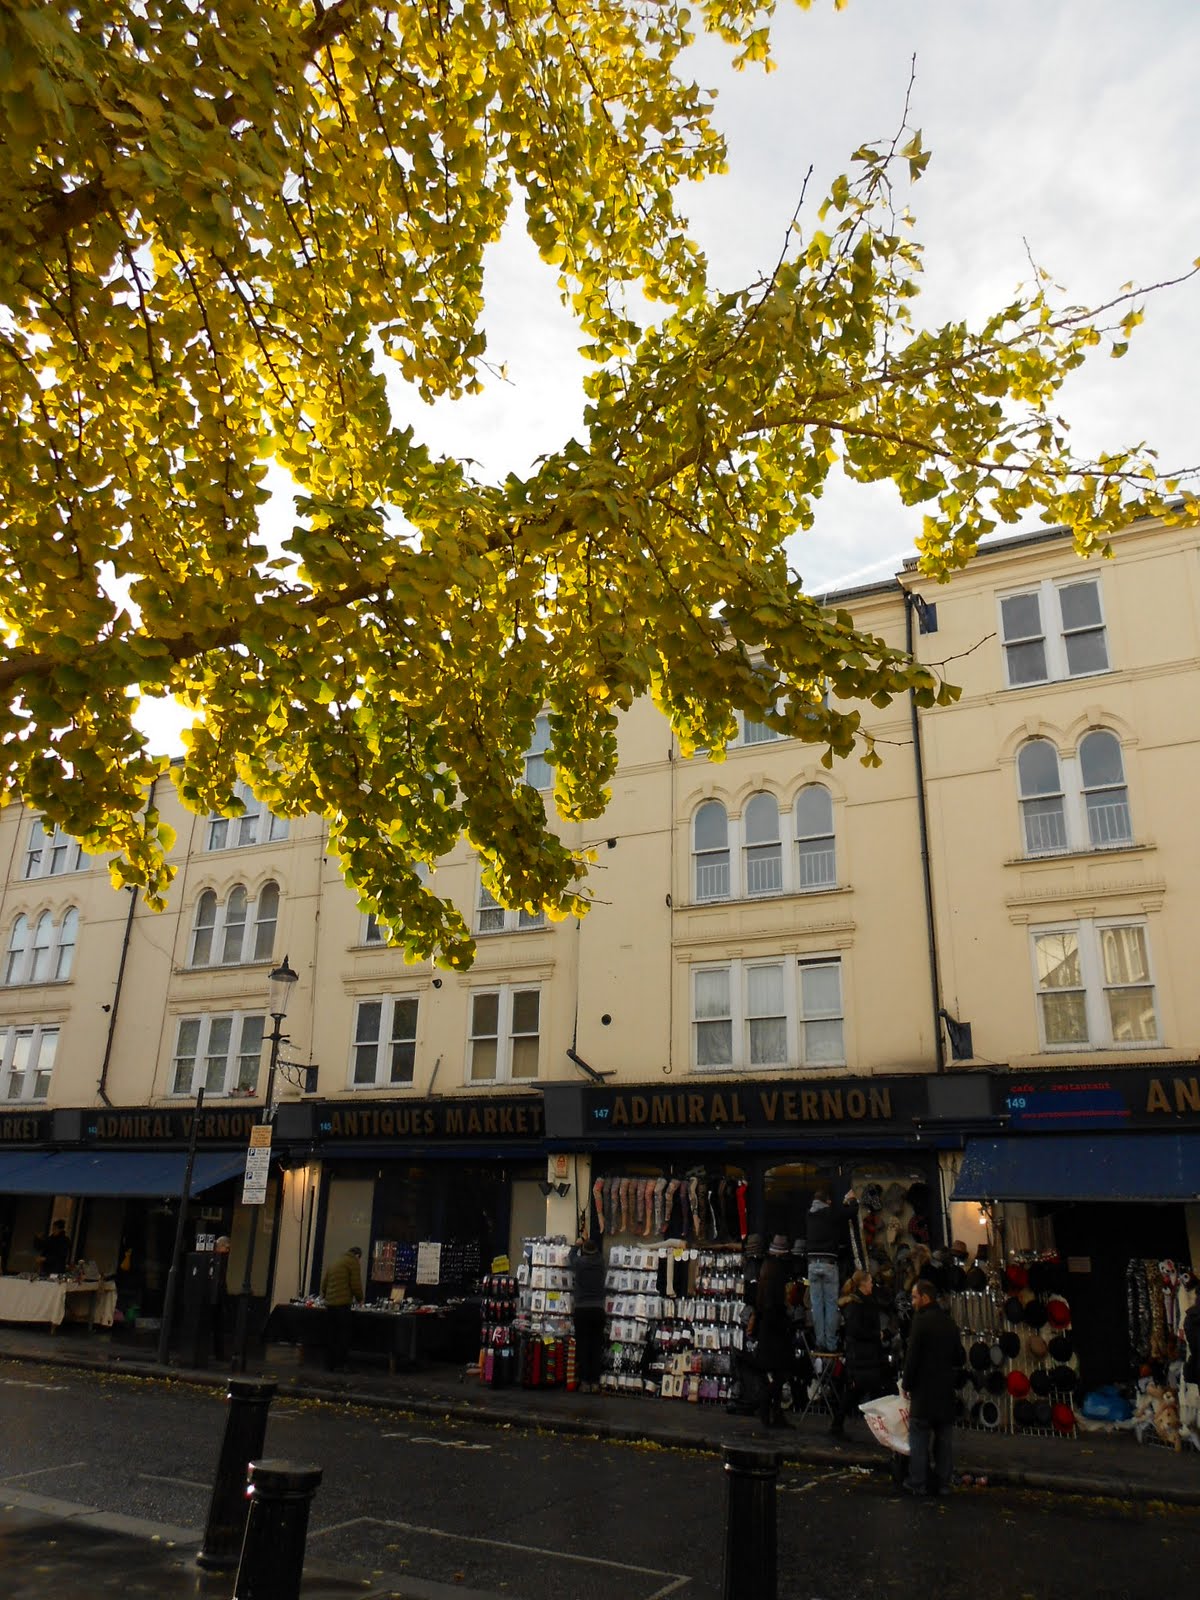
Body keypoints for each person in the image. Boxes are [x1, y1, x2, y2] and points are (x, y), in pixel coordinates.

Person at [901, 1277, 961, 1497]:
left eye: (914, 1297)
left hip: (924, 1391)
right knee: (944, 1440)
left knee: (919, 1437)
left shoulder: (920, 1321)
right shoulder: (949, 1322)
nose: (912, 1302)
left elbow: (912, 1356)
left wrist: (906, 1383)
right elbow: (959, 1357)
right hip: (945, 1390)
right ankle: (943, 1482)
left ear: (925, 1298)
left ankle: (917, 1482)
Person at [830, 1268, 885, 1437]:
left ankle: (839, 1424)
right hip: (861, 1355)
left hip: (866, 1355)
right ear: (863, 1284)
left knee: (859, 1391)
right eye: (870, 1282)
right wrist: (876, 1335)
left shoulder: (864, 1302)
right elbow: (855, 1331)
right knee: (856, 1391)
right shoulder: (856, 1305)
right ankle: (838, 1424)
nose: (872, 1285)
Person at [803, 1184, 859, 1351]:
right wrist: (852, 1199)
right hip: (829, 1263)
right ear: (827, 1201)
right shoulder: (830, 1212)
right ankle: (831, 1344)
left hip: (812, 1264)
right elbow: (851, 1212)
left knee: (817, 1306)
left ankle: (820, 1343)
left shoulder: (809, 1214)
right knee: (831, 1305)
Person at [752, 1235, 793, 1430]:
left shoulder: (766, 1272)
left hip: (768, 1332)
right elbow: (774, 1306)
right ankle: (768, 1407)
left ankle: (773, 1412)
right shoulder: (776, 1276)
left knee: (778, 1374)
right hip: (775, 1333)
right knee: (781, 1374)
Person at [569, 1236, 607, 1393]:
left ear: (584, 1251)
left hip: (582, 1309)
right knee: (596, 1346)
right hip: (598, 1309)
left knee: (583, 1345)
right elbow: (597, 1254)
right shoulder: (601, 1263)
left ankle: (584, 1382)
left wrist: (577, 1245)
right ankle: (595, 1382)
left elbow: (571, 1257)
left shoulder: (580, 1263)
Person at [320, 1244, 363, 1372]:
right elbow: (355, 1284)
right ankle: (342, 1364)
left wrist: (326, 1296)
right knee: (343, 1335)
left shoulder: (336, 1261)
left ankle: (329, 1365)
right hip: (342, 1305)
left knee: (331, 1335)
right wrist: (360, 1299)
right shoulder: (353, 1262)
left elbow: (324, 1284)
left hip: (330, 1304)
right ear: (357, 1255)